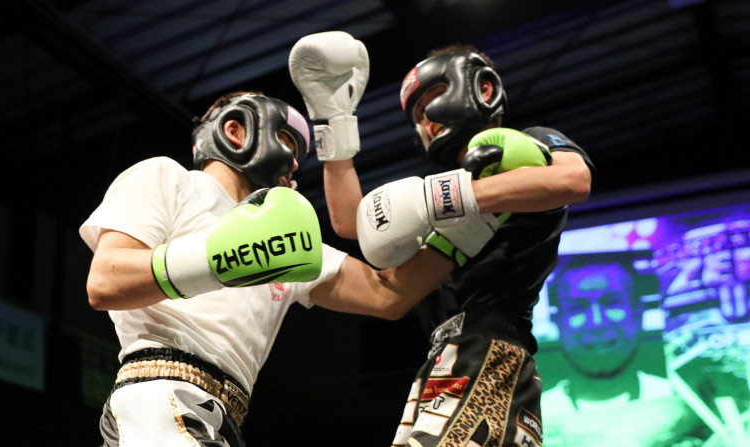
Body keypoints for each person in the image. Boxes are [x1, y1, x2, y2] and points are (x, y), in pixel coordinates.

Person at [80, 91, 469, 446]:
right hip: (159, 392)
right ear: (236, 131)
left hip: (222, 416)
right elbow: (105, 281)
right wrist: (223, 258)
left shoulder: (287, 239)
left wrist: (472, 222)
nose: (295, 162)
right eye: (286, 139)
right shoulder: (170, 179)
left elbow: (388, 296)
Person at [288, 32, 595, 447]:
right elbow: (355, 230)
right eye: (416, 115)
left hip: (489, 352)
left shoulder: (524, 152)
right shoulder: (437, 211)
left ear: (482, 88)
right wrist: (333, 120)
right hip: (441, 362)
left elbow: (573, 179)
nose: (426, 120)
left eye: (431, 99)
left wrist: (439, 199)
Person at [541, 254, 700, 446]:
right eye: (577, 307)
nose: (597, 322)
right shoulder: (532, 416)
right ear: (557, 321)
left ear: (639, 312)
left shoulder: (686, 403)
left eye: (612, 302)